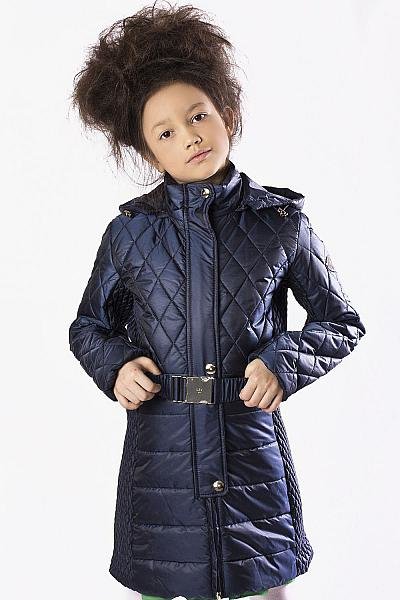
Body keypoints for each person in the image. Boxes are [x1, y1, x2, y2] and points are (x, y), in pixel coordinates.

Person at [68, 3, 367, 600]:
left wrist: (284, 362)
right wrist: (116, 366)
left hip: (249, 452)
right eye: (166, 133)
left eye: (198, 115)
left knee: (258, 585)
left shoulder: (280, 223)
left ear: (227, 112)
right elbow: (88, 327)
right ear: (148, 153)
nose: (190, 136)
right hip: (163, 461)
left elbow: (341, 322)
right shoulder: (129, 234)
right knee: (164, 585)